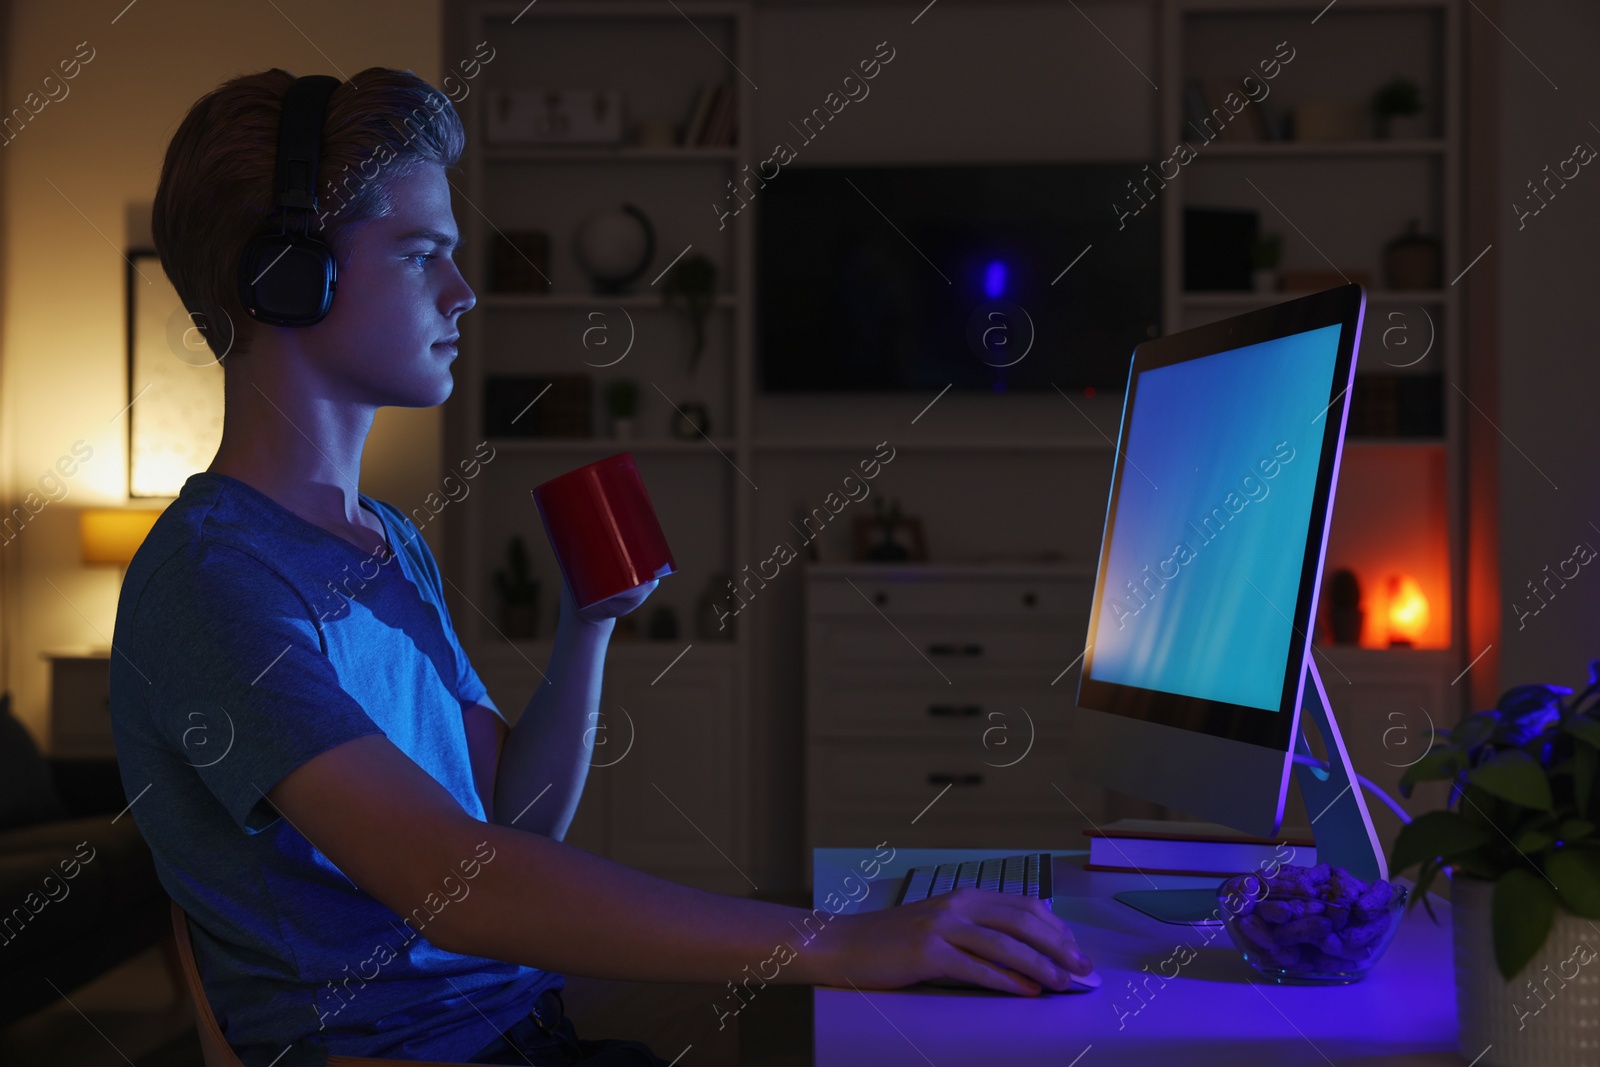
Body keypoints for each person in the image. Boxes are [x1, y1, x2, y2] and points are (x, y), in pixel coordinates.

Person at [109, 67, 1092, 1067]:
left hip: (524, 1025)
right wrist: (838, 939)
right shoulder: (212, 582)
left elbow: (513, 817)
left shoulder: (384, 537)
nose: (465, 290)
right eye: (420, 256)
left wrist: (589, 624)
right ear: (286, 277)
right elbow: (462, 884)